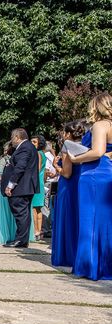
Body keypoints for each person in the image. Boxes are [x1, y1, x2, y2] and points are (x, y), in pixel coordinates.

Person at [68, 93, 112, 280]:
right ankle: (105, 265)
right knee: (105, 221)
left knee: (89, 221)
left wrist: (76, 158)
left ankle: (90, 266)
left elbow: (98, 151)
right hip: (107, 173)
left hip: (93, 174)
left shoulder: (100, 125)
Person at [51, 120, 85, 267]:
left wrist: (55, 167)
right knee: (76, 217)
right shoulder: (86, 145)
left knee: (65, 216)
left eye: (64, 133)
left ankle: (66, 255)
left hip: (67, 186)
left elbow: (66, 173)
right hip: (79, 184)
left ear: (69, 134)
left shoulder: (67, 146)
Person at [2, 128, 39, 248]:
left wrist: (10, 185)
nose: (11, 141)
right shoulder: (28, 147)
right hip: (25, 186)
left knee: (20, 213)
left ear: (17, 137)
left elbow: (20, 167)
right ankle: (22, 239)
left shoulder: (24, 148)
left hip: (21, 186)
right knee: (23, 213)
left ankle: (21, 240)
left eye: (12, 138)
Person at [30, 135, 47, 240]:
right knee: (38, 208)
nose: (32, 143)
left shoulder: (37, 153)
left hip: (35, 183)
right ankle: (39, 231)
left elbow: (37, 169)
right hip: (40, 182)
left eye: (34, 142)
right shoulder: (43, 154)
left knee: (34, 209)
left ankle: (36, 231)